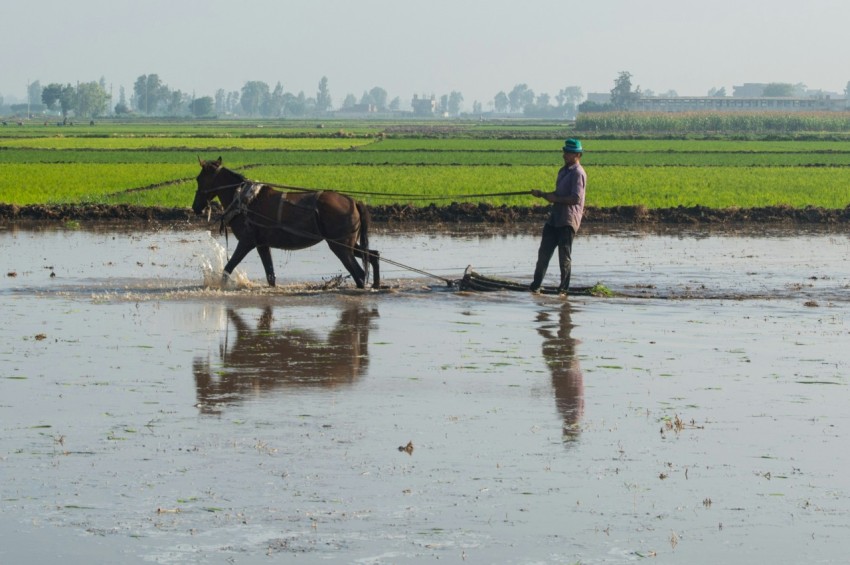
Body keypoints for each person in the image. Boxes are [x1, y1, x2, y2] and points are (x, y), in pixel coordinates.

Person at [529, 138, 586, 295]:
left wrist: (555, 199)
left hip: (568, 220)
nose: (565, 155)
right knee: (543, 254)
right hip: (554, 219)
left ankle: (563, 289)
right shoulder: (563, 171)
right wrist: (542, 194)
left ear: (578, 155)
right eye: (565, 152)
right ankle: (535, 286)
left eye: (568, 153)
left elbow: (576, 198)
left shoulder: (578, 173)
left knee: (564, 257)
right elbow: (557, 195)